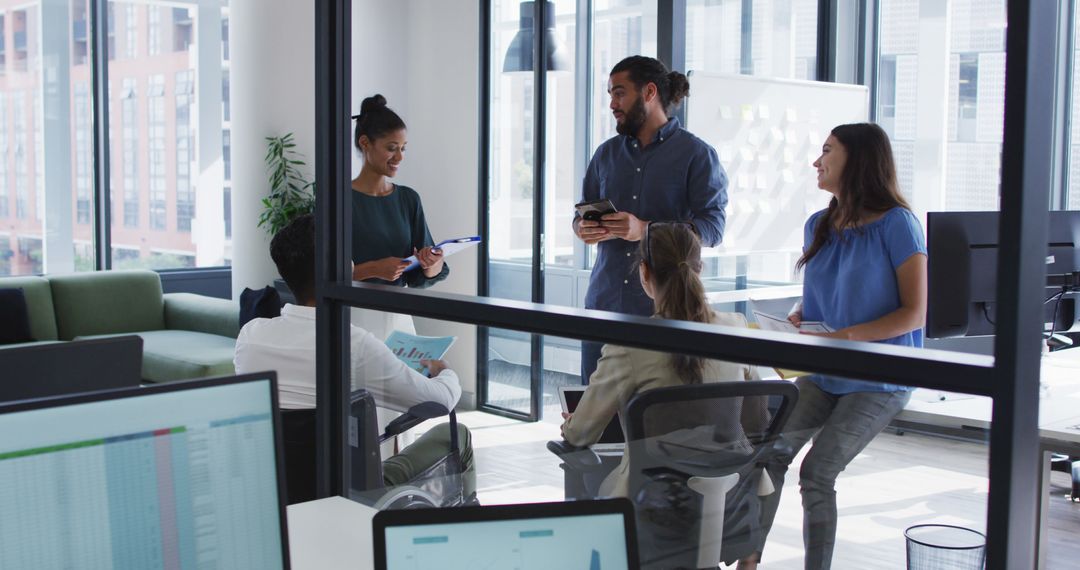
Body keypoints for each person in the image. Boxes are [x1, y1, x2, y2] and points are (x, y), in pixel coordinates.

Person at [757, 123, 926, 569]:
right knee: (770, 456)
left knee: (817, 473)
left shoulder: (898, 225)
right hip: (825, 372)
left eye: (827, 151)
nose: (817, 161)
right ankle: (747, 560)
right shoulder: (820, 224)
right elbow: (831, 289)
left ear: (859, 161)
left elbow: (915, 313)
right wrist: (801, 312)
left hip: (880, 380)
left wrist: (840, 338)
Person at [234, 214, 475, 505]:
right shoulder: (353, 344)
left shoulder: (251, 336)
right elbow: (440, 401)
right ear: (339, 268)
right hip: (352, 493)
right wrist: (446, 373)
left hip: (276, 492)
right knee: (458, 435)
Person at [573, 55, 728, 384]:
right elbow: (580, 212)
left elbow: (714, 229)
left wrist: (646, 230)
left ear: (649, 92)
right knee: (592, 416)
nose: (613, 104)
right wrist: (583, 227)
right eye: (610, 95)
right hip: (603, 306)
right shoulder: (605, 154)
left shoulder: (697, 155)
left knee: (654, 416)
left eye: (619, 93)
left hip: (666, 312)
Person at [350, 94, 447, 340]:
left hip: (397, 315)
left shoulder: (408, 199)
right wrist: (373, 269)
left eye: (403, 149)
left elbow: (421, 276)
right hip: (350, 313)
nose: (400, 157)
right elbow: (317, 273)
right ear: (365, 143)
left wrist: (431, 265)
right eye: (391, 148)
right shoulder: (337, 200)